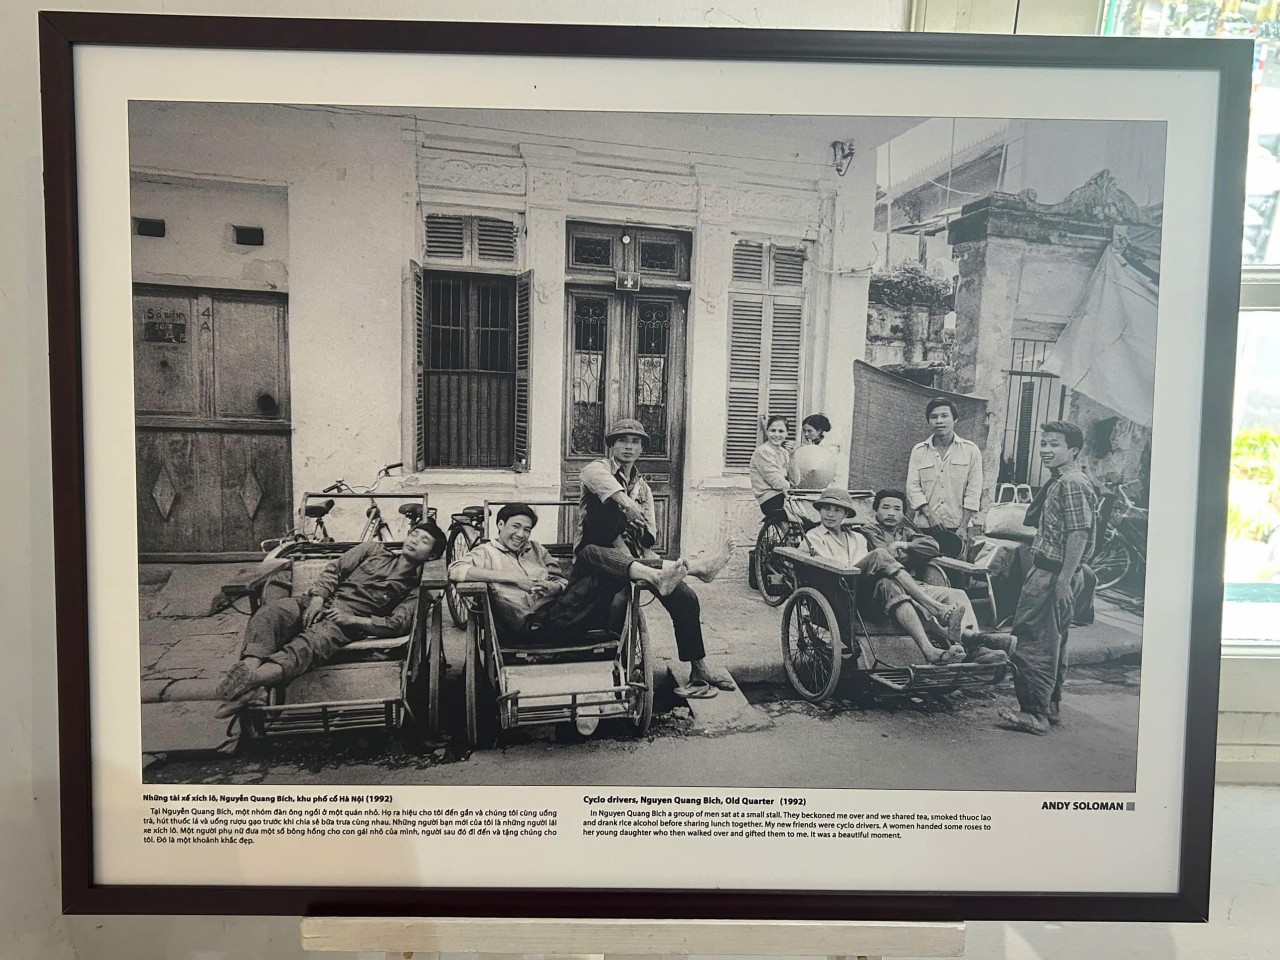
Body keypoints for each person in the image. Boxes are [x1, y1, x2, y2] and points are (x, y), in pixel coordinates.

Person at [213, 523, 443, 718]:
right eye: (414, 534)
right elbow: (334, 571)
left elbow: (396, 624)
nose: (414, 540)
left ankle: (249, 682)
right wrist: (317, 599)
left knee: (306, 646)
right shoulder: (372, 550)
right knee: (269, 614)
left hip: (342, 623)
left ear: (432, 555)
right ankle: (249, 680)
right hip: (314, 602)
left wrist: (352, 620)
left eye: (424, 540)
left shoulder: (415, 589)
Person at [578, 418, 735, 697]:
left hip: (636, 559)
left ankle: (699, 668)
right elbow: (592, 479)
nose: (628, 446)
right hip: (597, 556)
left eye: (635, 441)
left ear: (641, 449)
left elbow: (651, 533)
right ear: (611, 445)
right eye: (622, 440)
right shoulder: (598, 469)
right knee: (609, 507)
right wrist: (626, 505)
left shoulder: (644, 487)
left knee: (686, 598)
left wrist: (641, 530)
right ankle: (698, 567)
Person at [447, 501, 689, 643]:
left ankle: (661, 574)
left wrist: (555, 586)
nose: (521, 535)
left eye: (527, 529)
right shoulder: (486, 552)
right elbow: (456, 571)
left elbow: (561, 580)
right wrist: (513, 579)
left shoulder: (536, 549)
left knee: (595, 558)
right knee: (593, 556)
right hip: (536, 626)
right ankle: (680, 570)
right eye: (515, 527)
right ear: (500, 525)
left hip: (564, 609)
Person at [997, 420, 1099, 736]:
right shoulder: (1063, 480)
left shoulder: (1071, 483)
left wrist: (1063, 581)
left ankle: (1033, 714)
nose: (1046, 449)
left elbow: (1078, 535)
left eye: (1054, 444)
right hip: (1059, 572)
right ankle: (1050, 708)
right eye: (1044, 443)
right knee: (1054, 643)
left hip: (1054, 574)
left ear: (1073, 450)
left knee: (1030, 643)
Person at [802, 487, 971, 666]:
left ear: (845, 514)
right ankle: (936, 608)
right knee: (880, 554)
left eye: (837, 510)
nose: (830, 514)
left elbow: (930, 547)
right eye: (826, 508)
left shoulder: (856, 538)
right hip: (836, 590)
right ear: (819, 510)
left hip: (862, 593)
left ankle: (929, 650)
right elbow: (828, 568)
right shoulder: (813, 537)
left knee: (888, 583)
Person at [905, 397, 983, 558]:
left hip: (957, 526)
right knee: (925, 573)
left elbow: (974, 490)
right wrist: (930, 516)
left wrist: (963, 526)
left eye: (944, 416)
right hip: (925, 526)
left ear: (955, 419)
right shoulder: (919, 451)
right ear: (928, 421)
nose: (939, 421)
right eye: (934, 417)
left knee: (955, 574)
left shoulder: (970, 450)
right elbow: (913, 487)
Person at [749, 415, 795, 517]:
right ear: (767, 431)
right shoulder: (763, 451)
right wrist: (794, 488)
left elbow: (796, 481)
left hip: (784, 495)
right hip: (770, 500)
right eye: (773, 430)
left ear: (787, 433)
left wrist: (792, 456)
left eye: (781, 431)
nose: (776, 435)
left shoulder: (784, 452)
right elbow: (777, 483)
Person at [792, 413, 839, 489]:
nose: (806, 434)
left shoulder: (830, 448)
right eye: (804, 431)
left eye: (809, 431)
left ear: (819, 431)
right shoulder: (802, 446)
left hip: (826, 487)